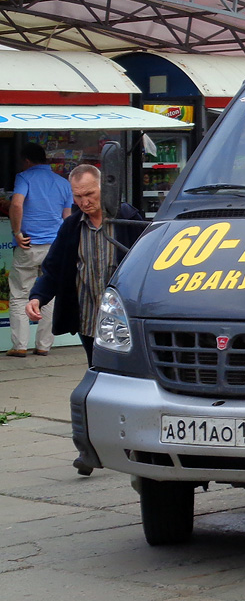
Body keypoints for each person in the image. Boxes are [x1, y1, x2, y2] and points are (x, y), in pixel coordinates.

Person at [27, 164, 144, 475]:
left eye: (89, 194)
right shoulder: (72, 227)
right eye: (78, 196)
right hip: (90, 322)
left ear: (103, 190)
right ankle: (89, 450)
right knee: (94, 387)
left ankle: (129, 444)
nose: (84, 202)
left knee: (123, 388)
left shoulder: (128, 220)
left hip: (126, 325)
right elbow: (53, 269)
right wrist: (37, 297)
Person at [7, 143, 72, 357]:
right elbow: (67, 217)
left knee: (19, 294)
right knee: (49, 295)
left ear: (26, 160)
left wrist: (17, 232)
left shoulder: (24, 178)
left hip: (28, 244)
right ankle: (44, 345)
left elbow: (16, 204)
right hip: (54, 246)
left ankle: (20, 345)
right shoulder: (63, 183)